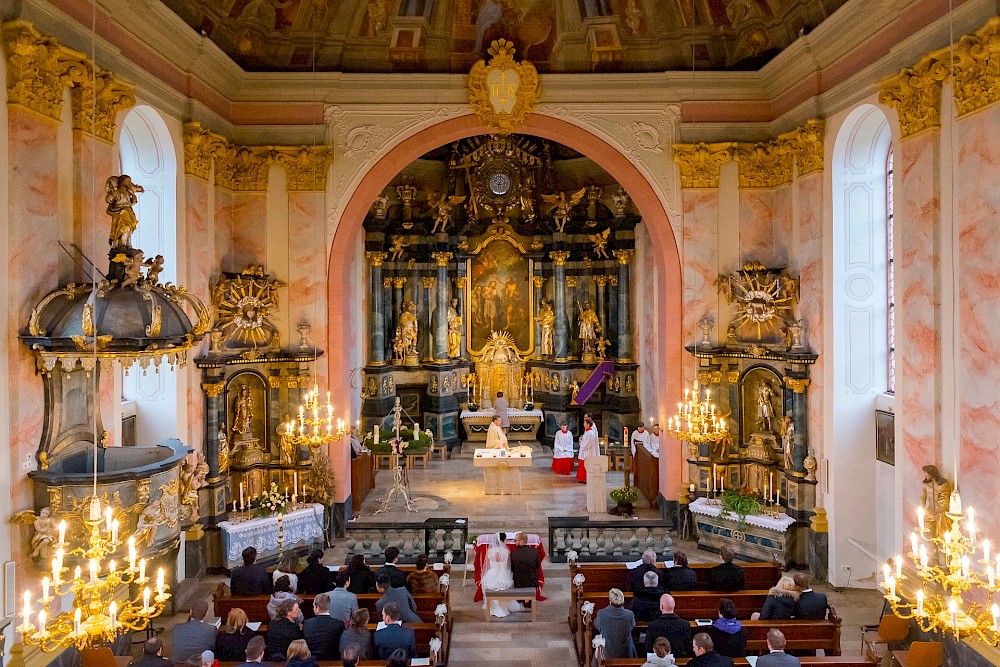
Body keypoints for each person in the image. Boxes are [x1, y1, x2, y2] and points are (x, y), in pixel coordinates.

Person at [480, 532, 516, 617]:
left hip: (492, 574)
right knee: (504, 586)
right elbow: (508, 566)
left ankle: (493, 606)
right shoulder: (506, 551)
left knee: (490, 585)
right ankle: (503, 606)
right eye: (506, 540)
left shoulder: (490, 551)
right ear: (503, 540)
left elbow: (487, 566)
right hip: (503, 575)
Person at [594, 588, 637, 659]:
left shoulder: (601, 613)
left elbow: (597, 626)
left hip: (607, 653)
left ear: (610, 601)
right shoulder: (629, 614)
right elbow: (632, 626)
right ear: (623, 601)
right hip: (626, 654)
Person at [646, 593, 693, 658]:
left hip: (660, 659)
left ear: (661, 606)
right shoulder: (685, 624)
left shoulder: (653, 625)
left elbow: (648, 647)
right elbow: (687, 646)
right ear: (674, 606)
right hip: (680, 658)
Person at [304, 593, 345, 660]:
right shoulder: (339, 624)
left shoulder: (307, 623)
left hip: (312, 660)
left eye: (313, 606)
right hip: (332, 660)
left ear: (317, 607)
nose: (313, 608)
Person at [577, 416, 600, 483]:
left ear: (588, 424)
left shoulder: (590, 433)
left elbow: (588, 443)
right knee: (582, 465)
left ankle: (586, 479)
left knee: (586, 465)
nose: (583, 424)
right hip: (584, 451)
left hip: (587, 452)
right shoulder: (587, 432)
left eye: (584, 423)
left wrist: (582, 446)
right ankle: (582, 478)